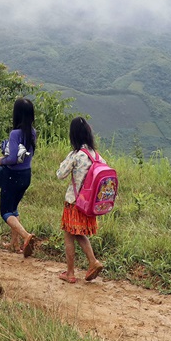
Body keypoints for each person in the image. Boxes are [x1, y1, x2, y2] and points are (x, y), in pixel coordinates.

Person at [55, 116, 105, 283]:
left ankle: (73, 271)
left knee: (70, 235)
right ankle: (91, 262)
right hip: (89, 204)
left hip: (74, 202)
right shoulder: (97, 156)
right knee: (78, 234)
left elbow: (60, 175)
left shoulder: (76, 155)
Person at [0, 98, 37, 257]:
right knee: (14, 208)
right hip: (26, 174)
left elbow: (12, 158)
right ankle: (15, 243)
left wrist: (2, 161)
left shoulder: (15, 134)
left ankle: (25, 236)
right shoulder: (32, 132)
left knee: (5, 211)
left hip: (13, 175)